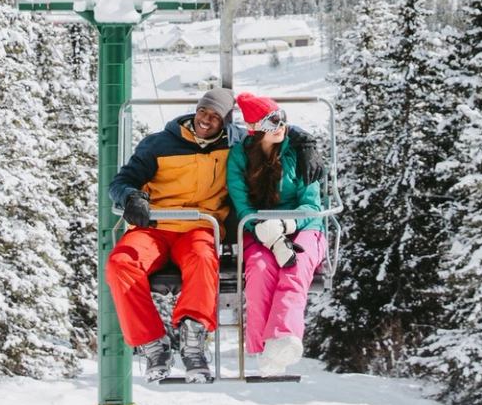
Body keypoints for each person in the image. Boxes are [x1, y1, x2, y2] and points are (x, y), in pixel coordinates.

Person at [105, 86, 235, 383]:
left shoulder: (234, 144)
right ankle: (153, 343)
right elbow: (122, 181)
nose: (206, 119)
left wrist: (304, 142)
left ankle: (193, 339)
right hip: (156, 226)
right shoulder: (159, 144)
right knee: (121, 263)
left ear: (225, 122)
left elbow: (276, 132)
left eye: (215, 116)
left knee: (203, 258)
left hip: (199, 226)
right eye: (203, 111)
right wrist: (131, 198)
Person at [227, 93, 327, 377]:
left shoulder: (297, 153)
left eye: (282, 117)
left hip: (304, 227)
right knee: (259, 270)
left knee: (293, 269)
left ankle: (283, 338)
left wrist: (285, 226)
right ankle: (261, 349)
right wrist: (262, 230)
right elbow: (241, 202)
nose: (281, 125)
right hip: (257, 228)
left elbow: (312, 203)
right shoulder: (240, 158)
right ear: (256, 128)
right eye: (273, 120)